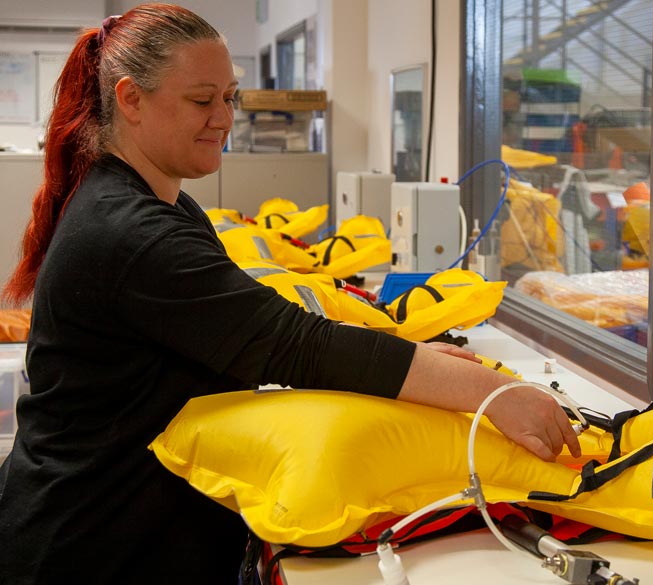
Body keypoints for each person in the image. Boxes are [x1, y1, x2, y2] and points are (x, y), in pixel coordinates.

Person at [0, 5, 581, 584]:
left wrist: (422, 366)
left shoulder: (155, 204)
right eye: (203, 101)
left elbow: (251, 329)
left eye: (231, 97)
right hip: (87, 542)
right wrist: (494, 393)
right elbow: (295, 344)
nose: (223, 118)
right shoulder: (131, 233)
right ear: (130, 99)